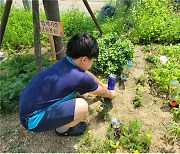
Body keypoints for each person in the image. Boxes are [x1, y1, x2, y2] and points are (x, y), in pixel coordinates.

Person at [19, 33, 116, 136]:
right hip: (32, 120)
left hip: (26, 106)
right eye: (92, 60)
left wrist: (101, 84)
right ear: (84, 60)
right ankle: (62, 130)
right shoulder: (80, 77)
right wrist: (111, 94)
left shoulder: (65, 62)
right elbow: (102, 92)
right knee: (81, 106)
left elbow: (87, 74)